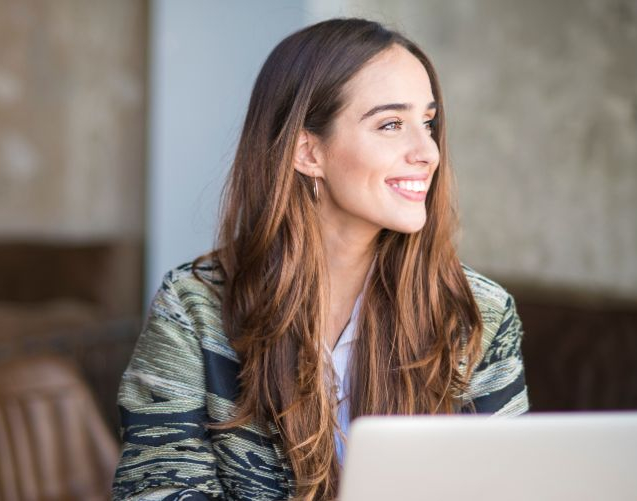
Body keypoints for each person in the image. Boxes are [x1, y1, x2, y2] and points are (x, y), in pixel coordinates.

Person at [112, 17, 529, 501]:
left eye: (428, 123)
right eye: (392, 124)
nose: (428, 152)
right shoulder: (193, 308)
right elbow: (158, 489)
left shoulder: (478, 312)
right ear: (307, 151)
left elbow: (503, 487)